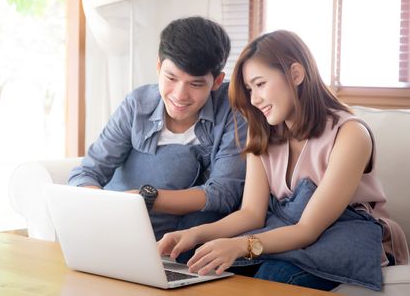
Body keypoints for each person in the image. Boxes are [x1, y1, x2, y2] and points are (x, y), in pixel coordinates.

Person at [158, 30, 409, 291]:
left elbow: (308, 229)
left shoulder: (350, 135)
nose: (254, 99)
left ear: (296, 74)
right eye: (249, 88)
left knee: (274, 273)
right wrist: (192, 235)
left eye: (260, 84)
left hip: (347, 233)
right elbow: (251, 214)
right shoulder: (262, 130)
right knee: (192, 256)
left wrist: (238, 246)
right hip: (288, 228)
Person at [68, 16, 248, 242]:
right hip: (112, 227)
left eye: (195, 84)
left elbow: (224, 193)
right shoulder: (137, 105)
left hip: (170, 240)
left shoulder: (233, 112)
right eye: (171, 78)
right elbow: (86, 173)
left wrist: (147, 198)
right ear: (158, 66)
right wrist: (110, 208)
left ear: (217, 81)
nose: (179, 95)